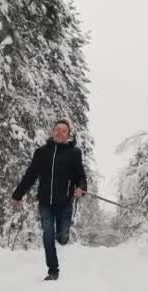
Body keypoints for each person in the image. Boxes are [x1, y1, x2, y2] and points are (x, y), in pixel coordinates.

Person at [11, 119, 87, 281]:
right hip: (45, 202)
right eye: (57, 129)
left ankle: (63, 236)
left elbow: (80, 176)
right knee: (47, 234)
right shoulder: (42, 153)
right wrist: (17, 195)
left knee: (62, 236)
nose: (59, 132)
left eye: (63, 130)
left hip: (65, 203)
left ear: (68, 135)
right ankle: (53, 270)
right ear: (52, 132)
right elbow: (30, 175)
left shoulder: (74, 153)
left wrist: (81, 188)